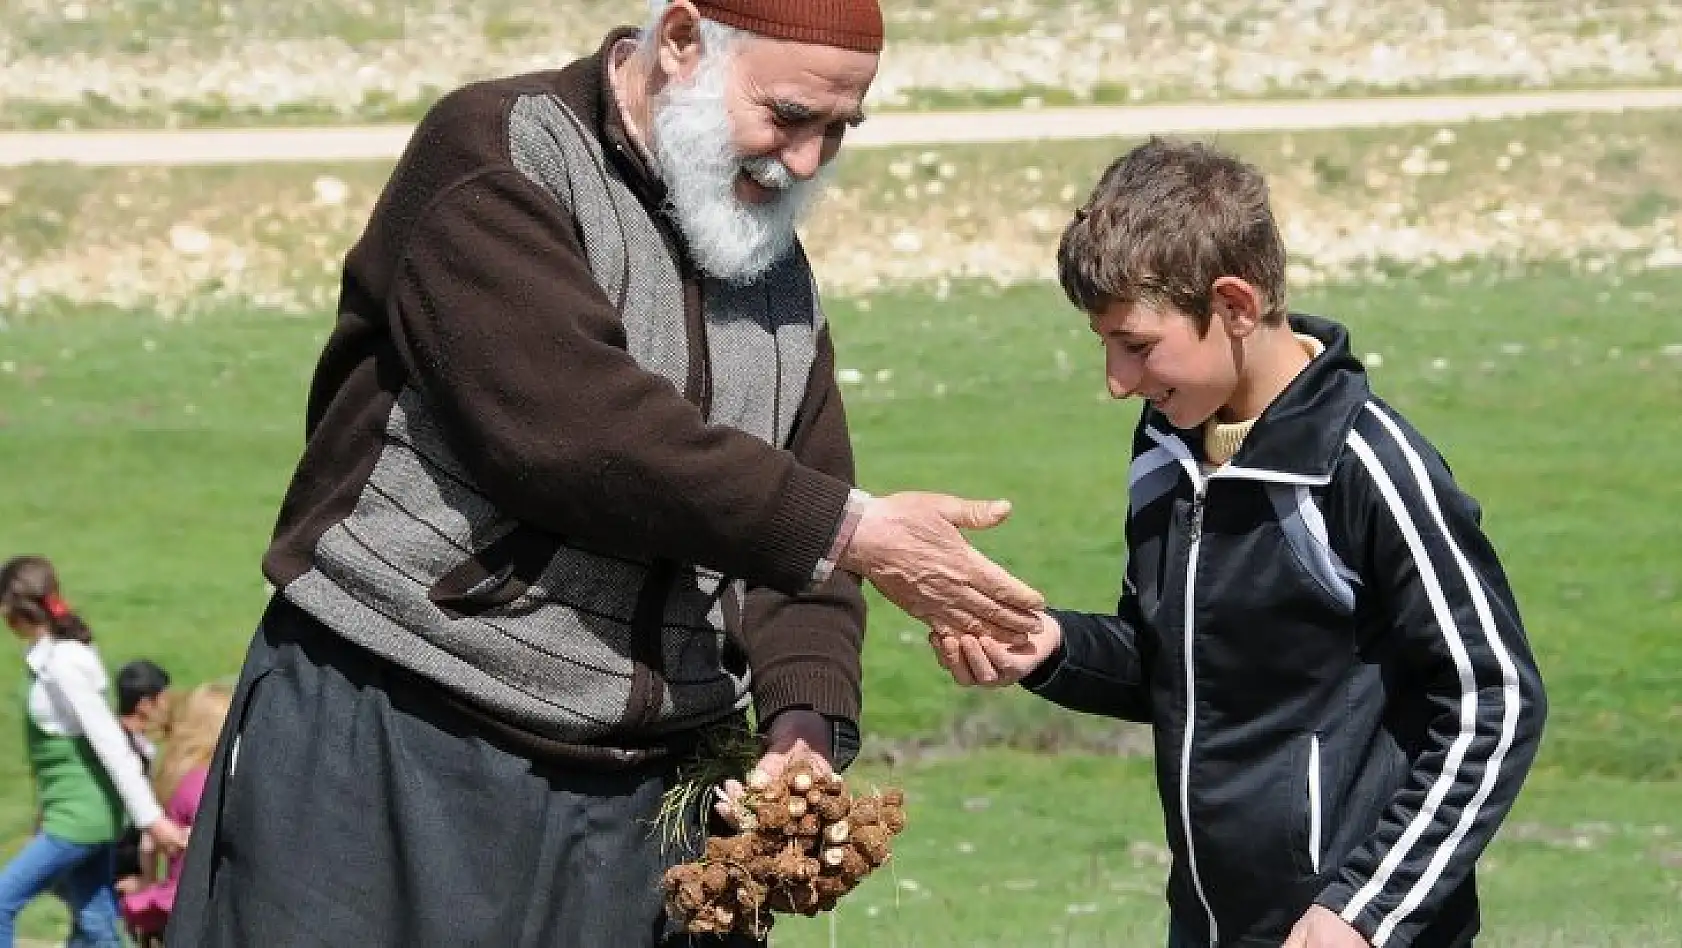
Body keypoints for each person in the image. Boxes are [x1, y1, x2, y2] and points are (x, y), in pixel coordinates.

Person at [168, 2, 1042, 946]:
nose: (805, 161)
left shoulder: (773, 268)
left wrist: (803, 723)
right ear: (679, 43)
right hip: (403, 740)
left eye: (838, 130)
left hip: (644, 802)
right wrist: (855, 530)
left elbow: (796, 537)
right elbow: (574, 435)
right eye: (789, 115)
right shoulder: (498, 155)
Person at [934, 139, 1548, 948]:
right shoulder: (1167, 447)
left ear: (1234, 305)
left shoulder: (1367, 467)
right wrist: (1047, 647)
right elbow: (1177, 665)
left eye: (1137, 344)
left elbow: (1494, 702)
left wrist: (1366, 911)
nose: (1116, 381)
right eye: (1104, 345)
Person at [0, 557, 190, 948]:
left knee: (2, 903)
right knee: (96, 920)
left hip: (78, 821)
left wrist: (152, 820)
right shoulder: (55, 656)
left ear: (15, 609)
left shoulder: (63, 665)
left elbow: (110, 742)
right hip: (83, 814)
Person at [119, 683, 231, 946]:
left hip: (171, 901)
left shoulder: (175, 775)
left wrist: (148, 880)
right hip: (201, 902)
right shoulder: (208, 782)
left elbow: (149, 842)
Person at [112, 660, 172, 893]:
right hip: (116, 869)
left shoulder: (134, 744)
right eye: (163, 699)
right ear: (145, 705)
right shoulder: (123, 752)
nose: (168, 707)